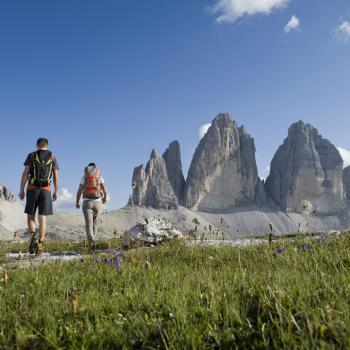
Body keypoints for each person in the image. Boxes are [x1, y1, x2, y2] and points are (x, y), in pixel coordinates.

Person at [19, 138, 59, 255]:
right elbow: (56, 176)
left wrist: (21, 190)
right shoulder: (52, 156)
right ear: (47, 145)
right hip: (46, 190)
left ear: (37, 145)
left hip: (32, 189)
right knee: (43, 218)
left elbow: (25, 173)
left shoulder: (31, 155)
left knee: (31, 217)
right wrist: (56, 191)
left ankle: (33, 240)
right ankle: (40, 245)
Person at [76, 163, 108, 250]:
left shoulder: (84, 177)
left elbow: (79, 191)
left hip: (87, 202)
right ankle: (93, 240)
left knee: (89, 223)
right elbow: (105, 189)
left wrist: (77, 202)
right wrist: (105, 198)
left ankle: (91, 243)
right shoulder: (99, 177)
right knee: (95, 222)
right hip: (98, 203)